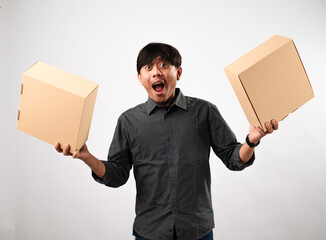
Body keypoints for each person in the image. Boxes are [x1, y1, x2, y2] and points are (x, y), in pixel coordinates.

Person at [55, 43, 279, 240]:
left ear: (178, 72)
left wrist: (251, 141)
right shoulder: (128, 121)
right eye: (148, 68)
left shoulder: (205, 112)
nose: (155, 73)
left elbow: (233, 159)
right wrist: (87, 157)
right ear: (140, 77)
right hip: (149, 232)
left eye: (163, 65)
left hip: (196, 231)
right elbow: (116, 175)